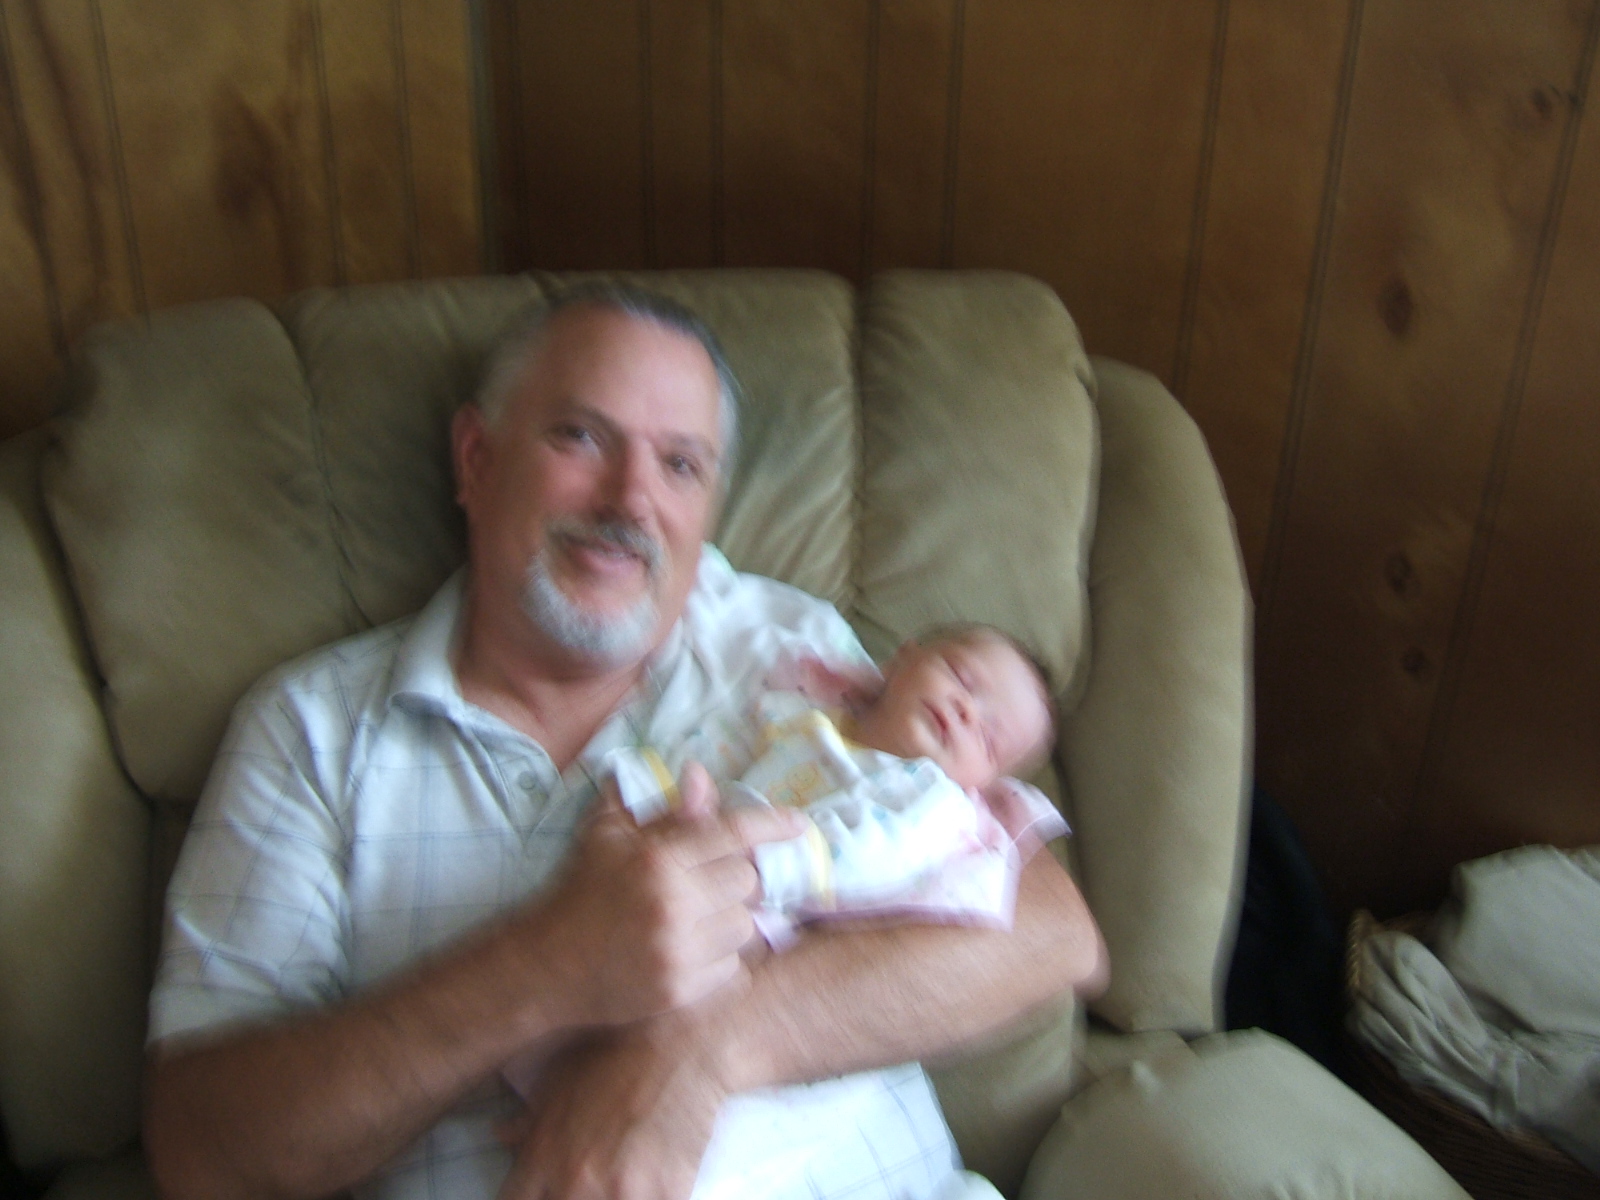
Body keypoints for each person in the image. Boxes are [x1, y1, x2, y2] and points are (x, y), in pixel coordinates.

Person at [142, 283, 1109, 1200]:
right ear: (476, 459)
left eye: (680, 464)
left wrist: (701, 1049)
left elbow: (1049, 932)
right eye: (580, 437)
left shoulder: (785, 652)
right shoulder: (312, 731)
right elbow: (202, 1152)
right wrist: (546, 968)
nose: (630, 501)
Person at [610, 625, 1068, 933]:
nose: (966, 710)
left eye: (988, 737)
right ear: (903, 660)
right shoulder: (810, 716)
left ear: (982, 783)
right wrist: (664, 783)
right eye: (961, 678)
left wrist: (770, 869)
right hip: (707, 839)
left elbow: (878, 853)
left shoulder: (935, 802)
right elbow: (729, 745)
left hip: (776, 902)